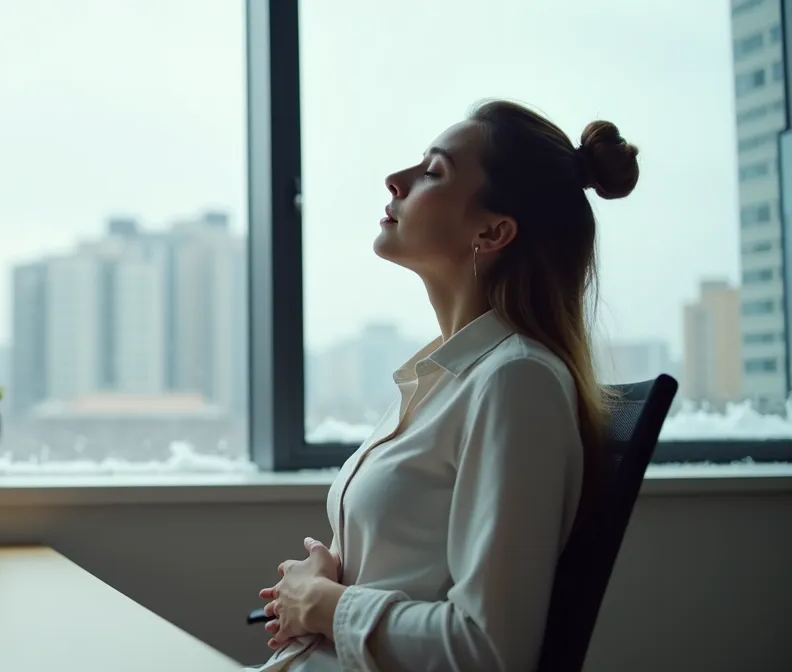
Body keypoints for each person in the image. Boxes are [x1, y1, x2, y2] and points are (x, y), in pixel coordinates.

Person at [247, 99, 641, 672]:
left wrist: (324, 605)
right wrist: (323, 581)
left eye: (433, 171)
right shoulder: (442, 378)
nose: (396, 179)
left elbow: (489, 651)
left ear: (493, 231)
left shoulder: (516, 382)